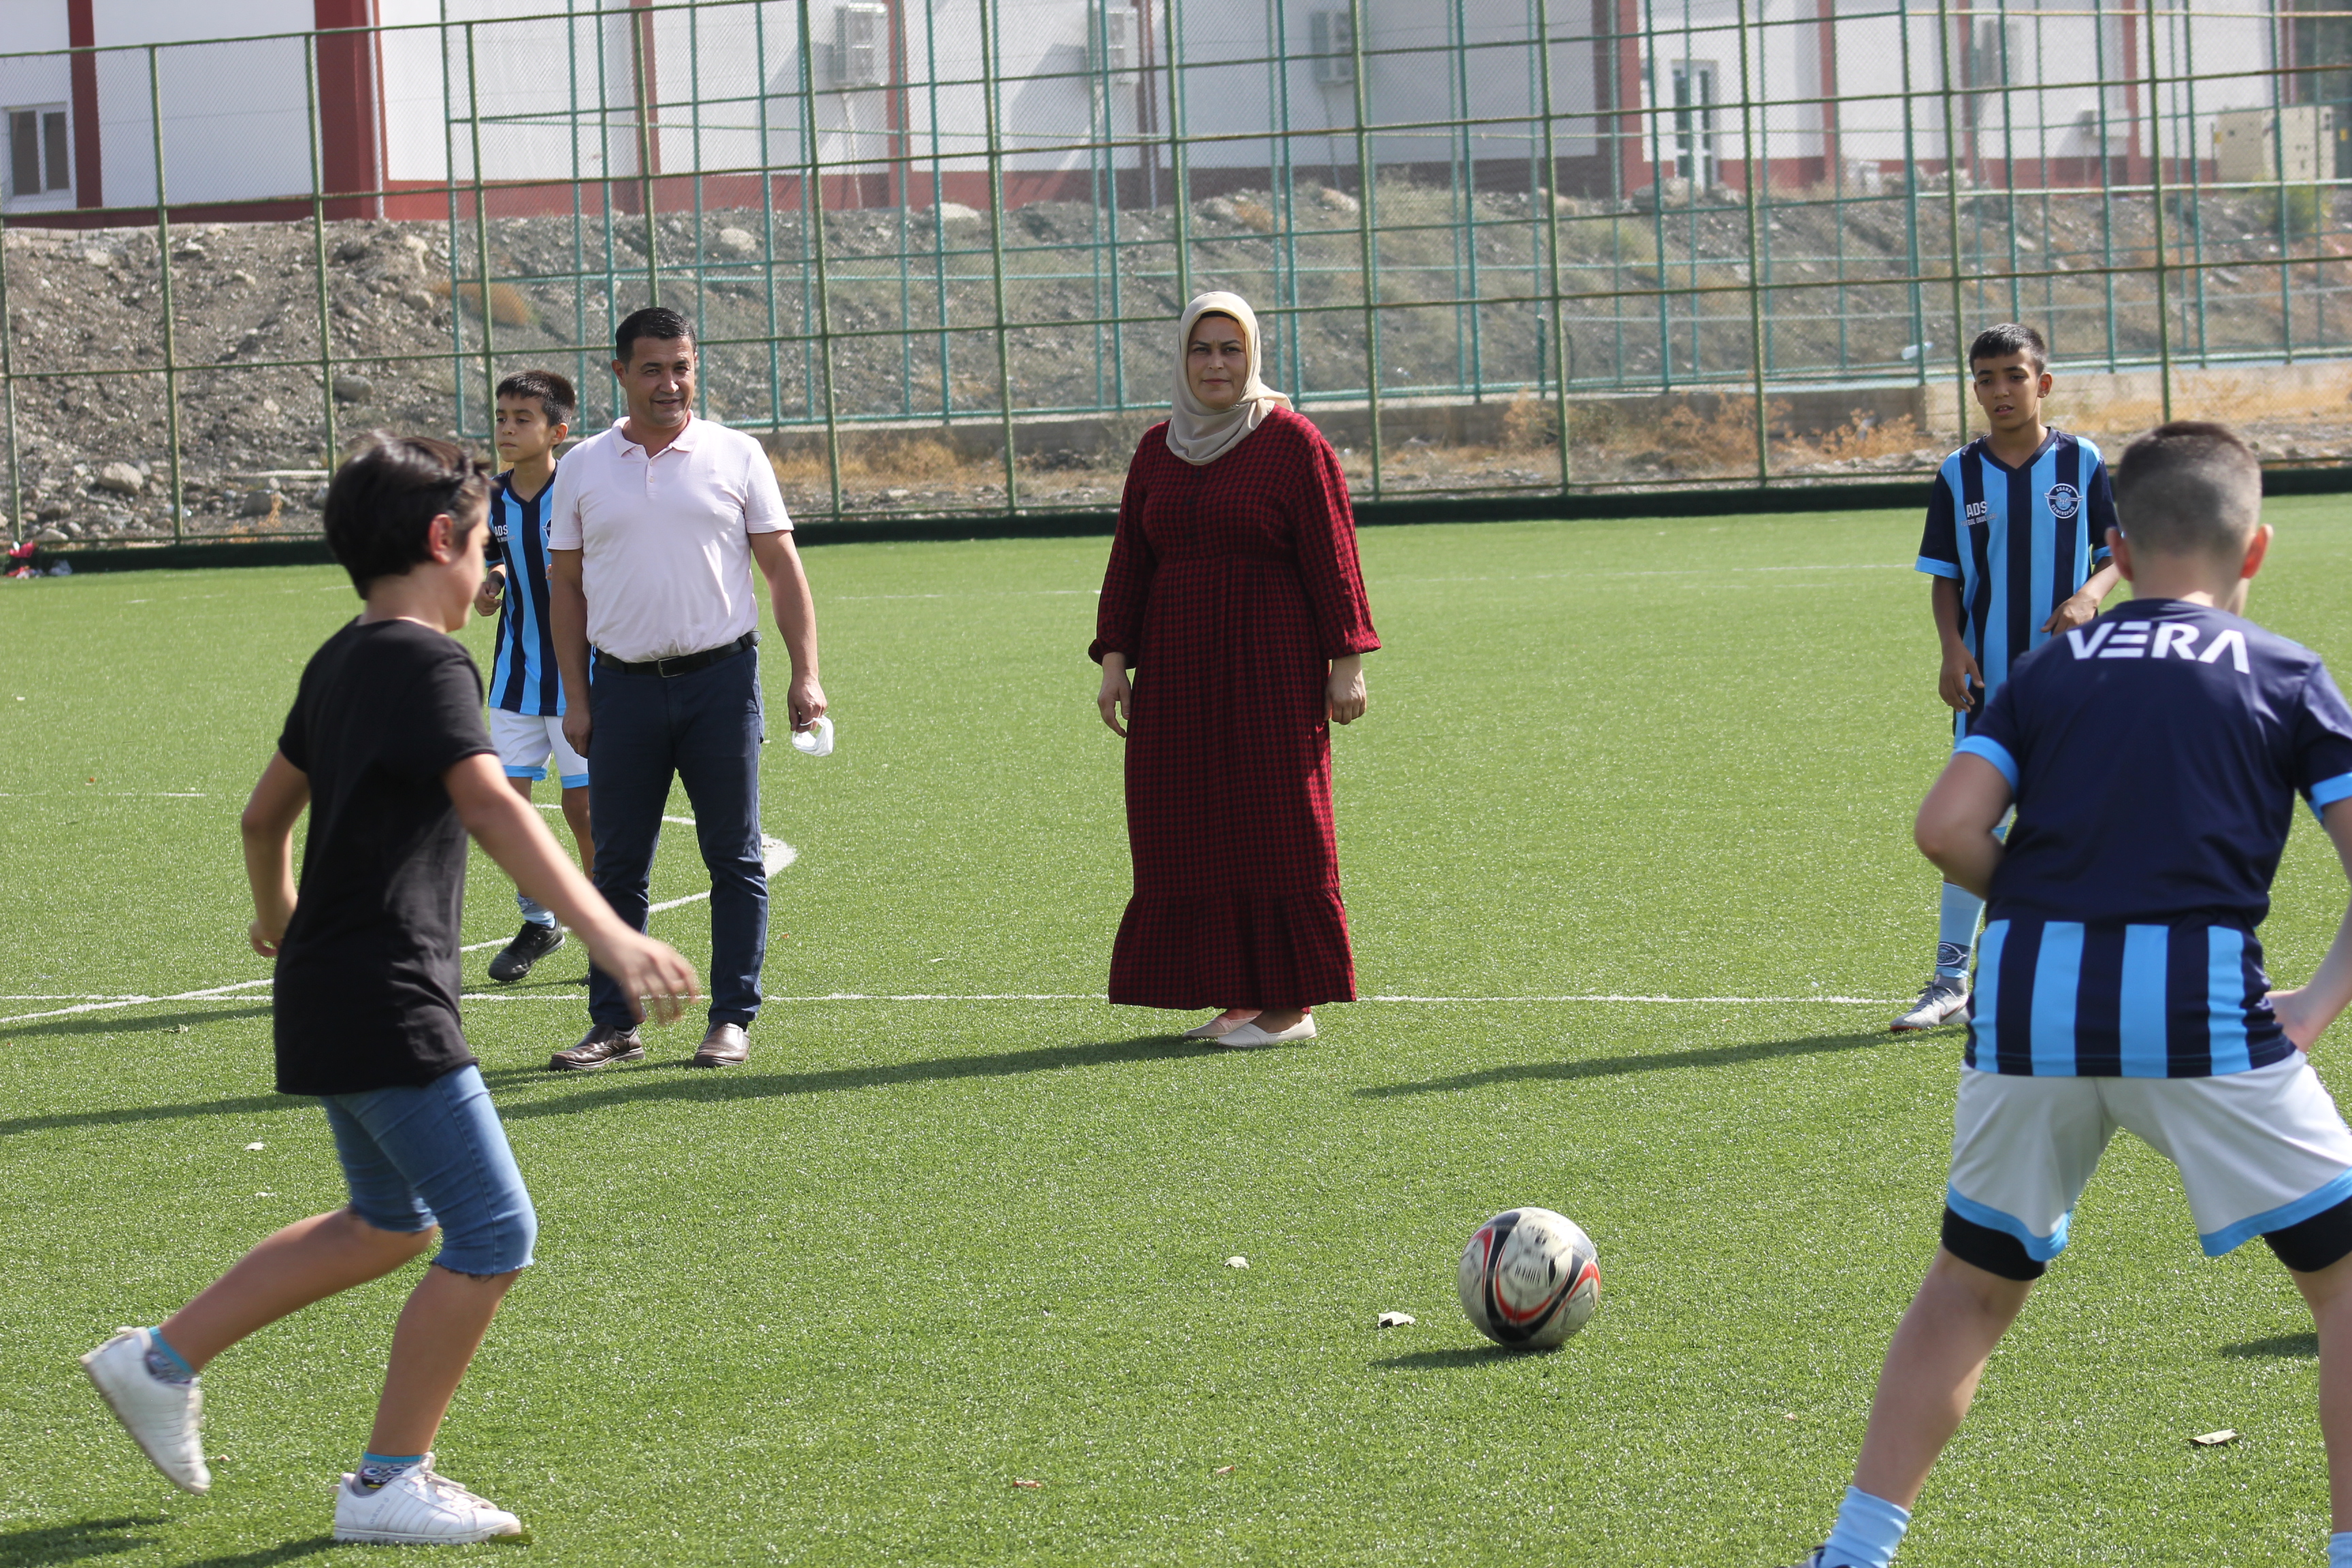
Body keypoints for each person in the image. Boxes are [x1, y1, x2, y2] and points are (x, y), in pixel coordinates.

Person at [78, 435, 698, 1545]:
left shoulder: (341, 656)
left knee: (387, 1221)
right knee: (493, 1231)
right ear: (440, 541)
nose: (490, 577)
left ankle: (158, 1359)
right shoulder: (428, 663)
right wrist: (608, 931)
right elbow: (495, 804)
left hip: (331, 984)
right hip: (384, 990)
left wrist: (276, 916)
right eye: (484, 553)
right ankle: (385, 1481)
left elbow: (262, 816)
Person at [1782, 423, 2352, 1568]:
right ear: (2256, 553)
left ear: (2116, 546)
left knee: (1971, 1284)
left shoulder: (2050, 669)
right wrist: (2322, 1000)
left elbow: (1944, 828)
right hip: (2196, 1009)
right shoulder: (2284, 673)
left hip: (2029, 1003)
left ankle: (1852, 1551)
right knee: (2341, 1281)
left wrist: (2045, 896)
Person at [1090, 291, 1379, 1049]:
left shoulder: (1292, 441)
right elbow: (1131, 562)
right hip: (1180, 665)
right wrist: (1116, 661)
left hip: (1270, 662)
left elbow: (1333, 557)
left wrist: (1346, 663)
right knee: (1184, 821)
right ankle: (1240, 995)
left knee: (1279, 820)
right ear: (1182, 359)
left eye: (1230, 349)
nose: (1216, 364)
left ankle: (1290, 1007)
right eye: (1201, 350)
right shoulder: (1158, 448)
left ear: (1253, 356)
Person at [546, 306, 826, 1071]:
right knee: (618, 863)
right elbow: (564, 588)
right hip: (622, 689)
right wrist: (576, 695)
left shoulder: (736, 455)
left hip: (721, 684)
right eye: (652, 368)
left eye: (682, 366)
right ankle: (614, 1023)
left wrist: (806, 674)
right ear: (619, 374)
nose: (670, 383)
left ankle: (732, 1017)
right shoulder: (582, 466)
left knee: (732, 857)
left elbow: (782, 570)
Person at [1893, 323, 2122, 1032]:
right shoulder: (1958, 473)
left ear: (2042, 383)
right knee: (1974, 821)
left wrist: (2090, 594)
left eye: (2013, 376)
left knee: (2058, 825)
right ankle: (1948, 980)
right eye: (1986, 378)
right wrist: (1950, 647)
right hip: (1987, 685)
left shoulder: (2081, 463)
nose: (2000, 390)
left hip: (2068, 681)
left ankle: (2017, 980)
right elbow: (1945, 574)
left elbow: (2119, 553)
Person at [474, 369, 592, 983]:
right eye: (502, 417)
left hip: (583, 678)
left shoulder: (579, 491)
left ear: (557, 432)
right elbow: (491, 558)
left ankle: (608, 925)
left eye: (523, 419)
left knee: (586, 811)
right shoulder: (491, 496)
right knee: (507, 811)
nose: (508, 429)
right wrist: (490, 583)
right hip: (516, 678)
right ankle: (539, 919)